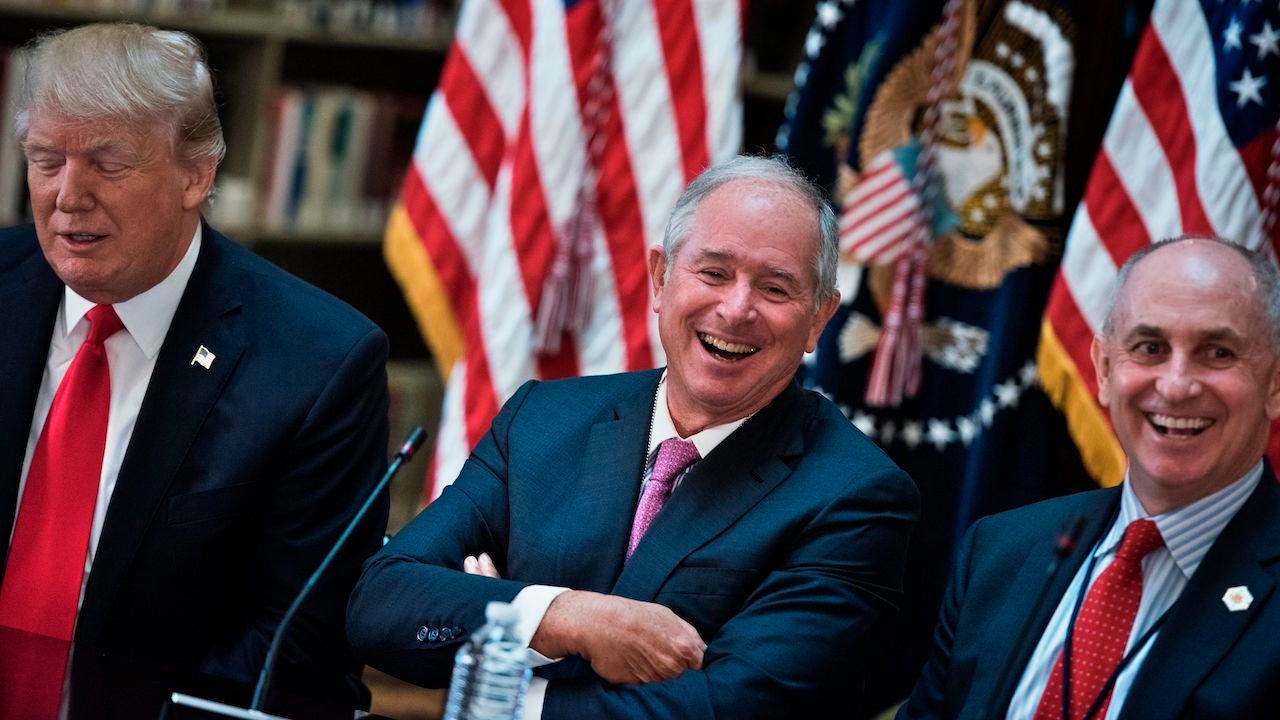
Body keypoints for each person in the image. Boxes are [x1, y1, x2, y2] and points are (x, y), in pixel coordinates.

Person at [346, 155, 919, 717]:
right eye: (714, 273)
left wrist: (507, 681)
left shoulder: (856, 495)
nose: (737, 308)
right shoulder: (541, 420)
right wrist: (563, 617)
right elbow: (380, 604)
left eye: (775, 289)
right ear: (660, 278)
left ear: (818, 318)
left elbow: (735, 705)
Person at [0, 23, 390, 712]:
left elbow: (294, 646)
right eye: (45, 159)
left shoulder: (317, 363)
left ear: (196, 176)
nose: (67, 196)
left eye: (106, 164)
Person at [898, 236, 1280, 719]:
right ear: (1102, 368)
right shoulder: (1000, 552)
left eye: (1218, 353)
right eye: (1150, 347)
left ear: (1275, 383)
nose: (1176, 385)